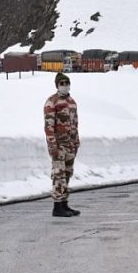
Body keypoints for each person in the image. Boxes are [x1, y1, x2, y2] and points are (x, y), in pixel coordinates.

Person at [44, 72, 81, 217]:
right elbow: (48, 125)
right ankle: (57, 206)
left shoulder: (71, 102)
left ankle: (65, 204)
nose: (65, 86)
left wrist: (76, 142)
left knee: (67, 174)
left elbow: (75, 123)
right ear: (57, 85)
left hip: (70, 144)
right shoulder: (52, 102)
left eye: (67, 83)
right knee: (58, 175)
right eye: (62, 83)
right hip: (59, 145)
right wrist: (52, 144)